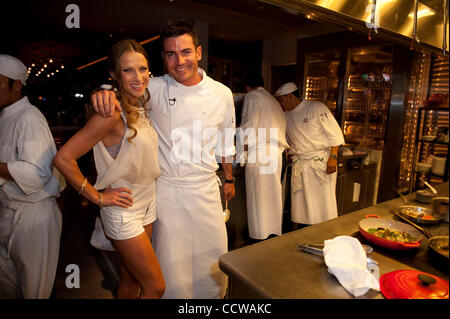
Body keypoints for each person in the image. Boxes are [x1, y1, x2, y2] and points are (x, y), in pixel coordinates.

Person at [91, 19, 236, 299]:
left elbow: (225, 142)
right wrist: (103, 94)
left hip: (206, 190)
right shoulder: (153, 88)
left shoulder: (222, 93)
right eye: (170, 54)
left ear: (199, 52)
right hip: (167, 192)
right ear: (163, 58)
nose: (179, 60)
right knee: (170, 270)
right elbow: (124, 91)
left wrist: (228, 178)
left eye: (185, 52)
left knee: (213, 266)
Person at [53, 39, 165, 299]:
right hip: (123, 210)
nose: (137, 77)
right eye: (128, 70)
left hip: (147, 202)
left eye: (142, 69)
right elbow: (63, 158)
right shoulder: (111, 115)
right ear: (114, 74)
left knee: (131, 279)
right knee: (156, 287)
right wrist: (98, 197)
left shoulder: (141, 105)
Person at [0, 54, 65, 298]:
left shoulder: (29, 117)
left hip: (34, 216)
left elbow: (38, 173)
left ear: (16, 85)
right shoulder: (6, 116)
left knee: (33, 292)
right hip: (9, 211)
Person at [274, 82, 344, 225]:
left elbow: (335, 135)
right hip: (300, 163)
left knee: (322, 205)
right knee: (302, 207)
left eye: (281, 100)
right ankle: (303, 231)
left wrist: (333, 158)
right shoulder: (286, 115)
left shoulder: (316, 108)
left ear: (290, 96)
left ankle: (325, 232)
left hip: (320, 163)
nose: (280, 104)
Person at [239, 73, 289, 240]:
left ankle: (259, 240)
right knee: (272, 200)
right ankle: (271, 238)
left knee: (258, 200)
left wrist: (240, 150)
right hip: (276, 154)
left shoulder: (253, 96)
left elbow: (249, 125)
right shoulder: (273, 100)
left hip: (261, 154)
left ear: (247, 87)